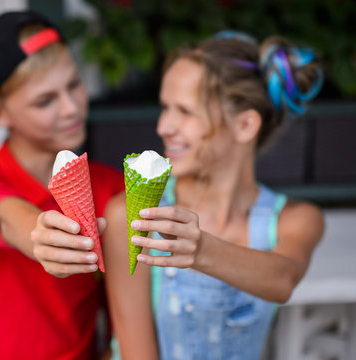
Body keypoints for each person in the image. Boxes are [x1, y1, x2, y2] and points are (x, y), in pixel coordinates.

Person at [33, 32, 325, 360]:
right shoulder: (130, 214)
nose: (163, 126)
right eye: (165, 108)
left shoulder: (295, 219)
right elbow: (136, 352)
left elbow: (282, 279)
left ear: (245, 125)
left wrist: (201, 249)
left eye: (185, 111)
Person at [0, 10, 124, 360]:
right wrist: (40, 234)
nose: (71, 108)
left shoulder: (111, 186)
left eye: (74, 85)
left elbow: (122, 315)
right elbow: (2, 214)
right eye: (45, 100)